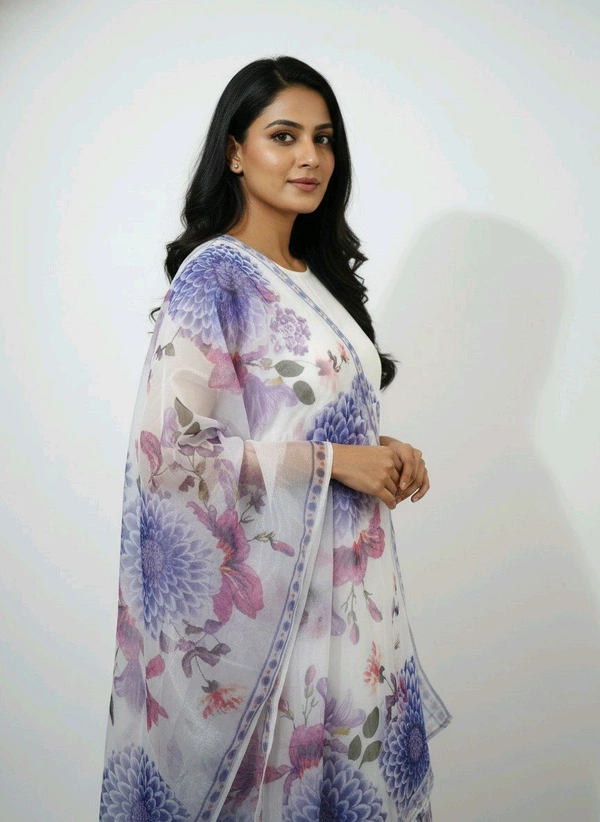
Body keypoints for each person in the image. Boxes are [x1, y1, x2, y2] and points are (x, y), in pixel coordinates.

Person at [99, 55, 452, 822]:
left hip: (351, 604)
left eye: (323, 139)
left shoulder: (316, 277)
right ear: (235, 151)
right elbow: (173, 460)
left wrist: (382, 451)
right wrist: (336, 462)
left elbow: (291, 417)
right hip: (281, 622)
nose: (310, 157)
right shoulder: (216, 276)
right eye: (284, 136)